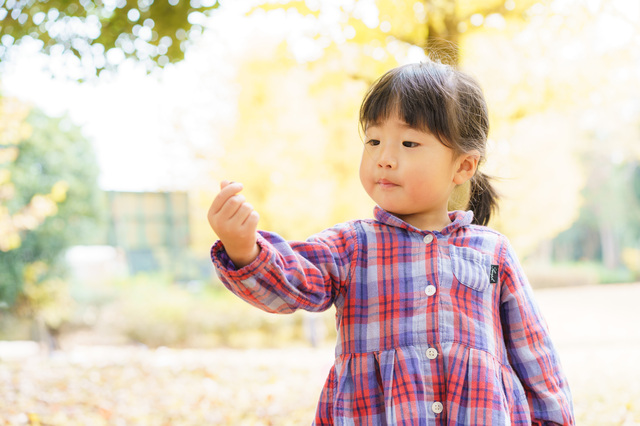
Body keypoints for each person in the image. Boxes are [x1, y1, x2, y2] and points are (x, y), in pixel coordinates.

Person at [207, 61, 574, 425]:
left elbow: (534, 352)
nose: (384, 158)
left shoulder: (492, 251)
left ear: (463, 166)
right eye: (374, 140)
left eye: (409, 142)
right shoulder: (351, 245)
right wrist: (244, 249)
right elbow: (294, 283)